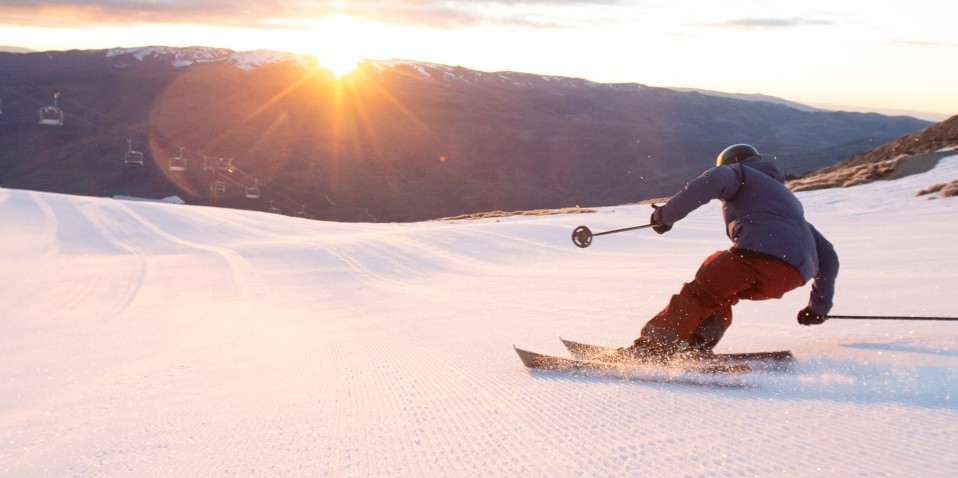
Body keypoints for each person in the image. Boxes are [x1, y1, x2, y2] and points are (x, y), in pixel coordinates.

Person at [616, 144, 839, 360]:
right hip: (793, 275)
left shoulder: (740, 173)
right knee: (721, 291)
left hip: (758, 256)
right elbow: (827, 255)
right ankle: (696, 344)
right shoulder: (786, 201)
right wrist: (817, 307)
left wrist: (664, 216)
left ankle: (652, 349)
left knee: (700, 293)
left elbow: (712, 181)